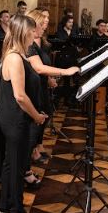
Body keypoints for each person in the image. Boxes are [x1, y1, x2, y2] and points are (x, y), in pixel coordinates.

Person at [0, 14, 47, 213]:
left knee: (11, 164)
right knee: (16, 167)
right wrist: (36, 116)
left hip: (12, 118)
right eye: (31, 31)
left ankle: (5, 205)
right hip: (16, 119)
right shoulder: (15, 57)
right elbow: (19, 96)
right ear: (23, 32)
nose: (34, 34)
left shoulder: (17, 54)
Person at [26, 10, 79, 166]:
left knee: (44, 115)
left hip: (42, 86)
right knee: (36, 121)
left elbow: (43, 65)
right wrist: (66, 71)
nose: (45, 26)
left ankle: (36, 149)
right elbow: (39, 68)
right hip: (34, 89)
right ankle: (30, 158)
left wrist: (49, 79)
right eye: (42, 23)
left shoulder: (41, 42)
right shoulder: (29, 46)